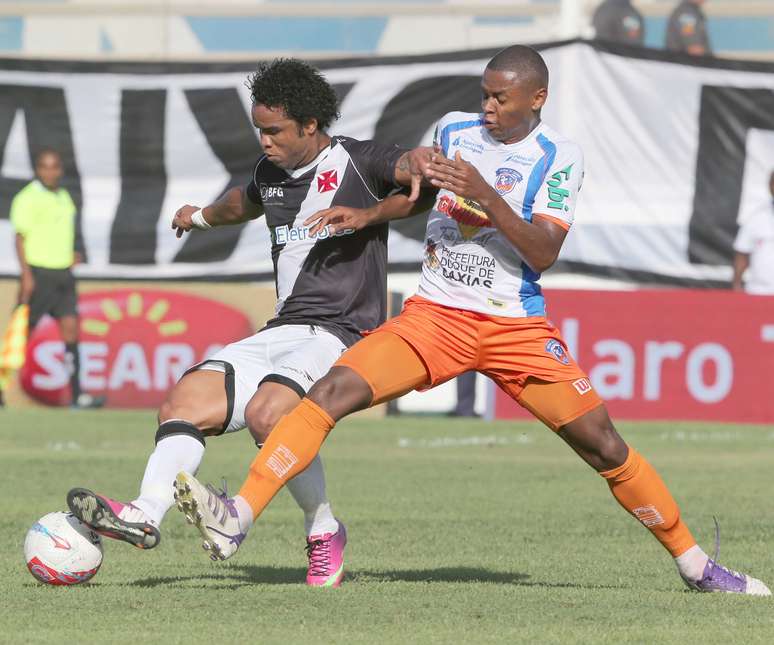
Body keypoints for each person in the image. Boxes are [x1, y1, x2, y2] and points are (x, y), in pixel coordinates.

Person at [174, 45, 770, 596]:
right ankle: (238, 517)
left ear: (536, 98)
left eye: (499, 98)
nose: (486, 107)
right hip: (435, 316)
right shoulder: (455, 130)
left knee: (604, 446)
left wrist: (486, 193)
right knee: (329, 392)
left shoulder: (558, 157)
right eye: (483, 93)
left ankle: (697, 566)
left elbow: (542, 252)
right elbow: (420, 196)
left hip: (516, 328)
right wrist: (369, 212)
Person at [66, 58, 430, 588]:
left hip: (340, 333)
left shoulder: (359, 160)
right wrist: (200, 216)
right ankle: (144, 513)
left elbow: (416, 176)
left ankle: (323, 529)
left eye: (275, 130)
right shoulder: (270, 172)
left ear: (310, 124)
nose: (264, 140)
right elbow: (245, 202)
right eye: (259, 129)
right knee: (182, 402)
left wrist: (413, 166)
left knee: (269, 416)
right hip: (281, 328)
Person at [9, 149, 104, 409]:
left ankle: (77, 395)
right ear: (37, 169)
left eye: (54, 167)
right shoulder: (27, 198)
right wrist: (26, 275)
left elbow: (61, 231)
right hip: (38, 274)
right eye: (44, 167)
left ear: (60, 170)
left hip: (63, 274)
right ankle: (2, 389)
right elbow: (20, 238)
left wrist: (72, 253)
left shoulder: (64, 197)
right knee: (21, 333)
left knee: (71, 331)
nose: (50, 172)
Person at [732, 170, 774, 295]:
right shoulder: (756, 217)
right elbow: (742, 254)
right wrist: (736, 285)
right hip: (759, 292)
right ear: (770, 186)